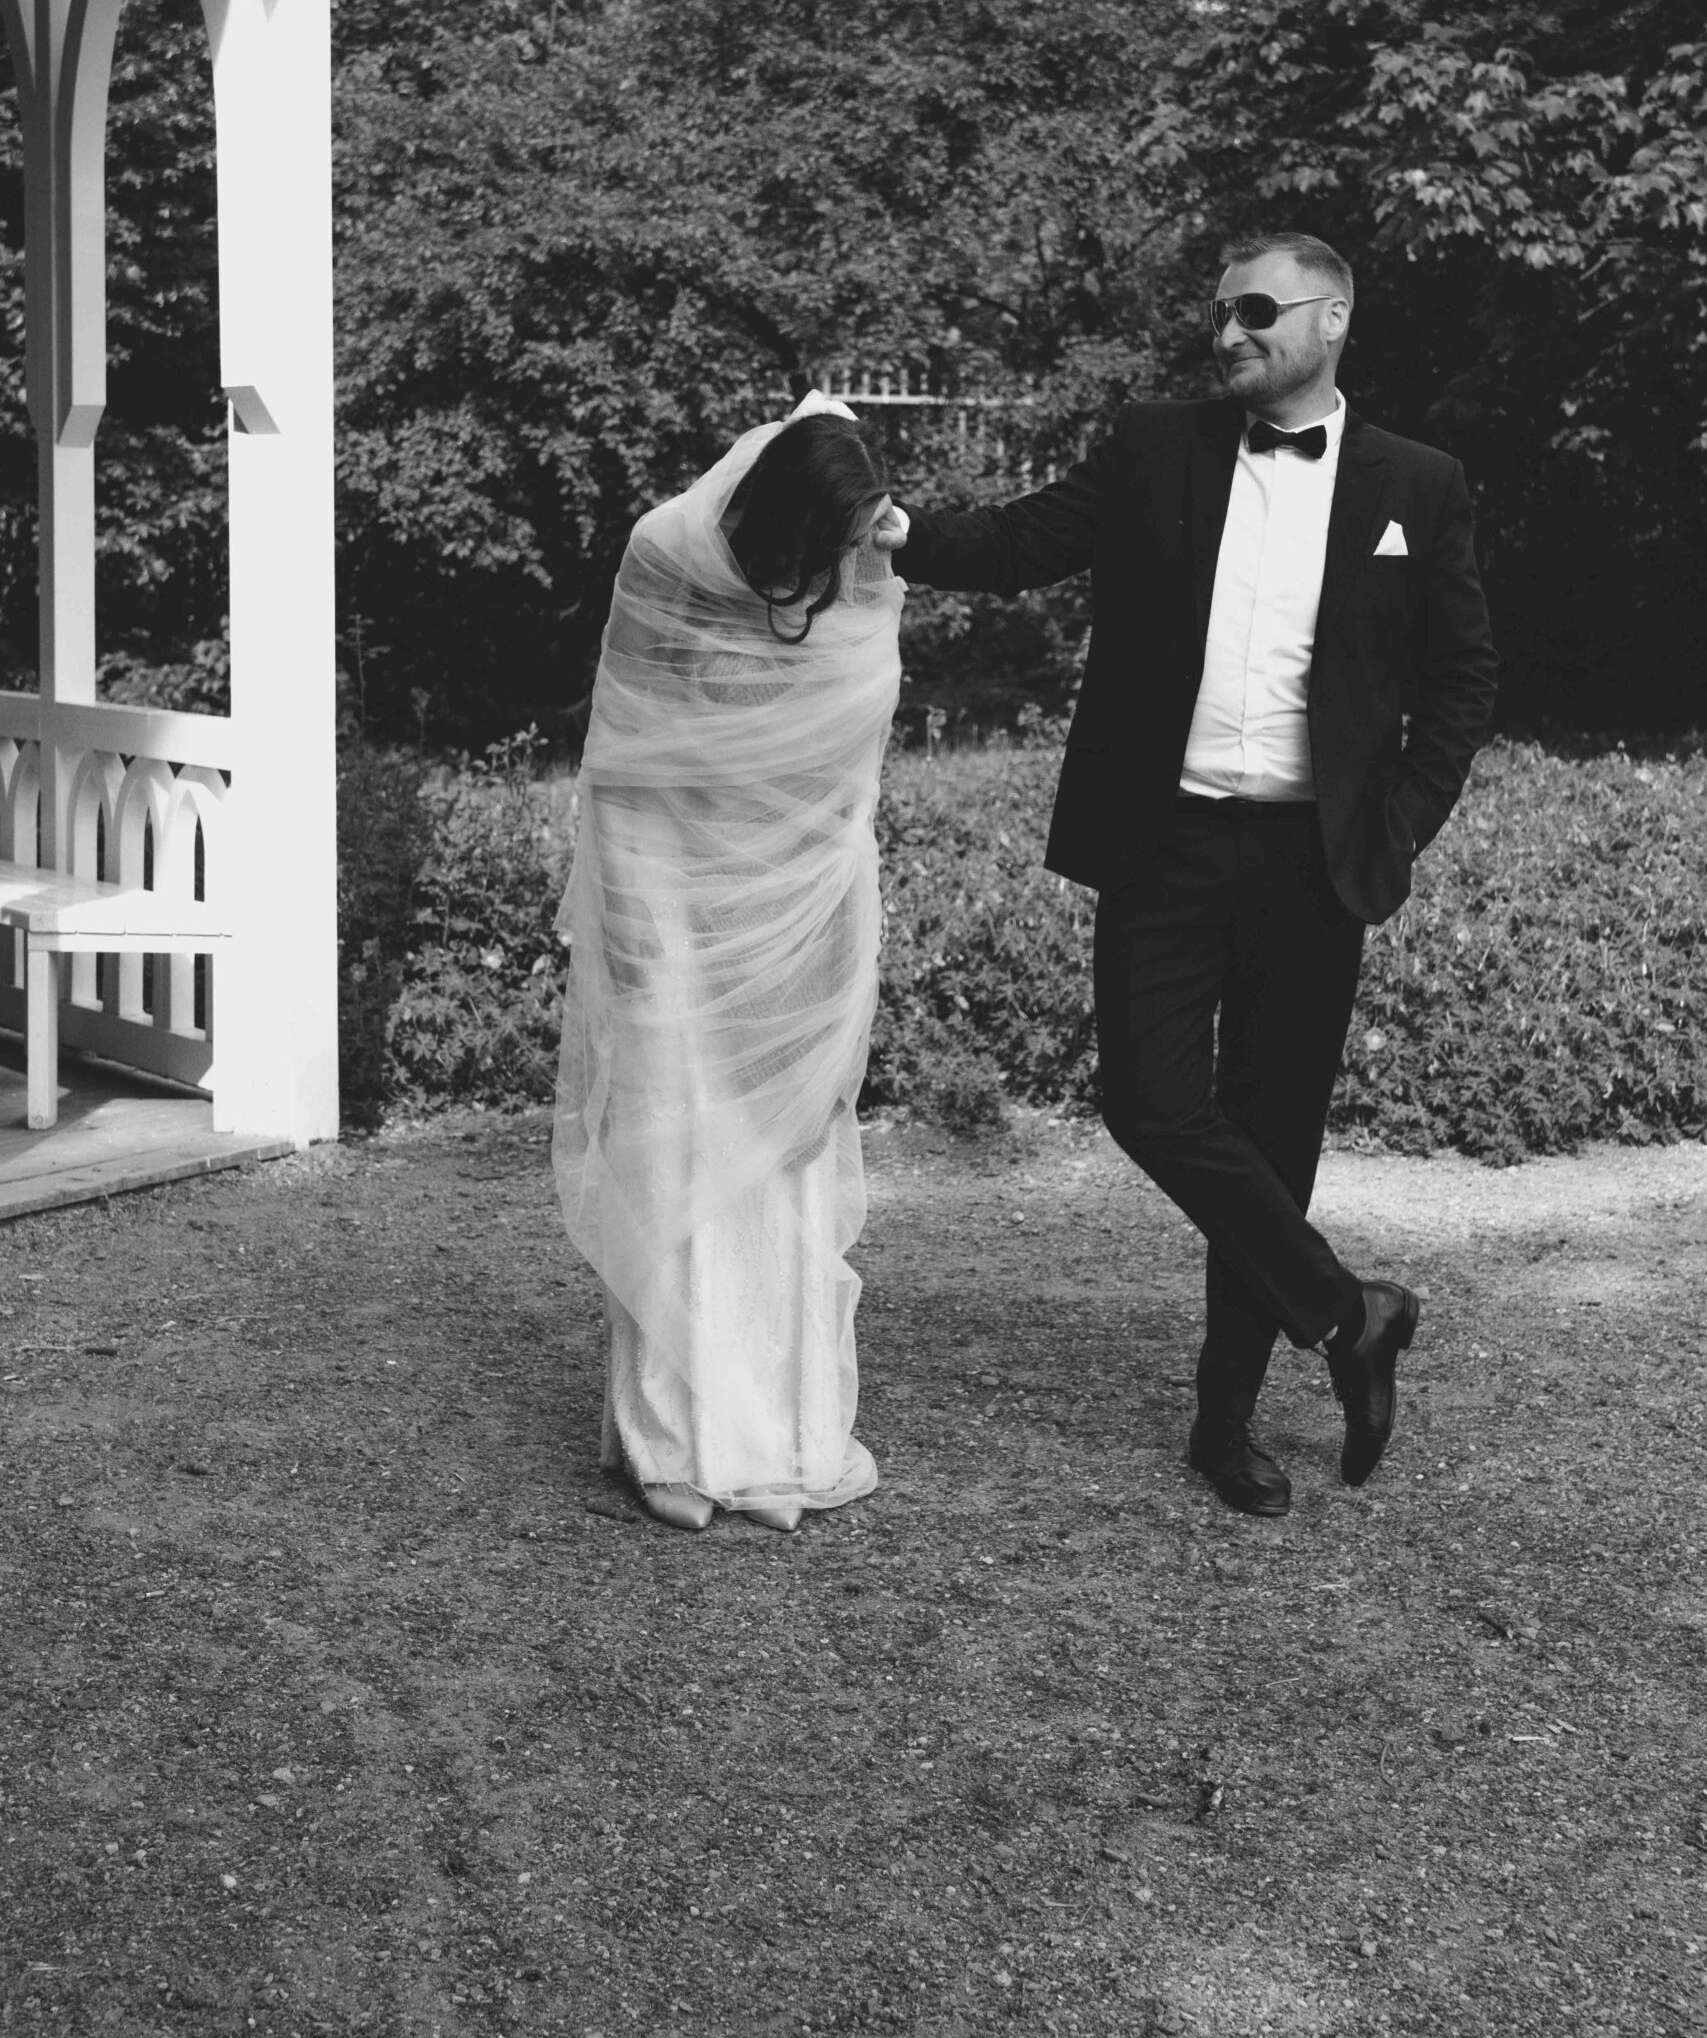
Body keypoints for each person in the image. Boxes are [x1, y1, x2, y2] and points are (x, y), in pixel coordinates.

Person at [887, 233, 1498, 1516]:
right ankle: (1351, 1312)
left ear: (1331, 319)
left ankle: (1225, 1430)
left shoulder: (1419, 482)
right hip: (1162, 842)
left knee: (1273, 1146)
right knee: (1149, 1103)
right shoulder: (1154, 445)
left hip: (1315, 862)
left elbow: (1461, 680)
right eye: (1219, 312)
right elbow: (1019, 540)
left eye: (1257, 310)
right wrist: (897, 529)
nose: (1228, 333)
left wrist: (1394, 828)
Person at [553, 396, 906, 1534]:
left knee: (786, 1158)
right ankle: (671, 1439)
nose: (827, 578)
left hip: (808, 891)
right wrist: (635, 929)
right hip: (673, 886)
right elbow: (621, 760)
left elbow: (853, 761)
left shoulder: (859, 562)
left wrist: (837, 929)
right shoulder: (665, 554)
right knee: (676, 1153)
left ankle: (786, 1434)